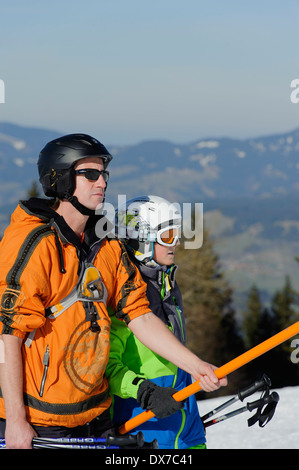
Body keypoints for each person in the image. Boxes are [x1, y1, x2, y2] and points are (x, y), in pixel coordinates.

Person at [0, 134, 225, 449]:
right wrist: (15, 420)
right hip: (43, 423)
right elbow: (7, 335)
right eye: (90, 173)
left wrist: (195, 366)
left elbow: (139, 315)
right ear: (61, 178)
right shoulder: (34, 244)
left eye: (104, 173)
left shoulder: (106, 245)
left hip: (97, 416)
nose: (102, 182)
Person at [106, 195, 225, 449]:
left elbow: (174, 361)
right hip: (144, 427)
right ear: (142, 241)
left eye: (176, 234)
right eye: (168, 236)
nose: (176, 242)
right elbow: (107, 366)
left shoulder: (166, 286)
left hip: (184, 422)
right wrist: (144, 391)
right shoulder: (123, 297)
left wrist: (197, 372)